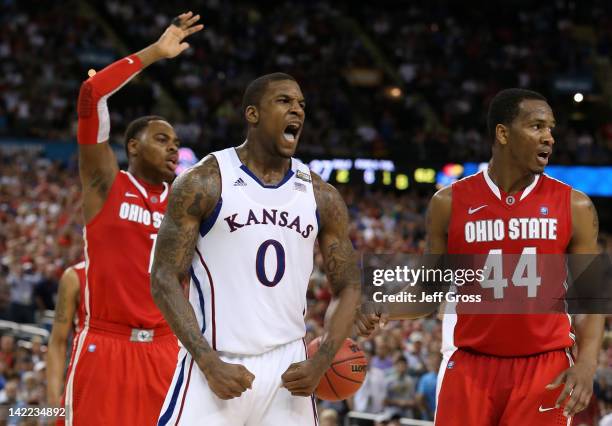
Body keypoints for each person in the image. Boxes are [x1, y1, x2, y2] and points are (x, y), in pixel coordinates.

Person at [359, 89, 603, 425]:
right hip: (472, 366)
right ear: (503, 133)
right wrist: (383, 306)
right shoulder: (448, 203)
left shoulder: (575, 205)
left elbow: (591, 299)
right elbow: (430, 293)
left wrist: (587, 364)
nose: (548, 137)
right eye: (536, 126)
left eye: (551, 129)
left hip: (544, 367)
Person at [151, 72, 362, 425]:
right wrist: (206, 360)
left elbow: (349, 286)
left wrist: (322, 359)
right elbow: (164, 277)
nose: (297, 110)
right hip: (216, 363)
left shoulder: (321, 194)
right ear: (252, 114)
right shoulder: (205, 181)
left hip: (288, 372)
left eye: (301, 105)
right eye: (284, 101)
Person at [64, 12, 203, 426]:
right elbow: (91, 95)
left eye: (176, 143)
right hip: (105, 345)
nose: (172, 149)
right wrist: (155, 53)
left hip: (165, 349)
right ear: (133, 147)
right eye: (161, 140)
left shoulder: (188, 204)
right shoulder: (105, 183)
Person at [47, 262, 86, 410]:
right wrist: (52, 401)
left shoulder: (151, 270)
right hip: (89, 370)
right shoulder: (75, 276)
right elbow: (57, 341)